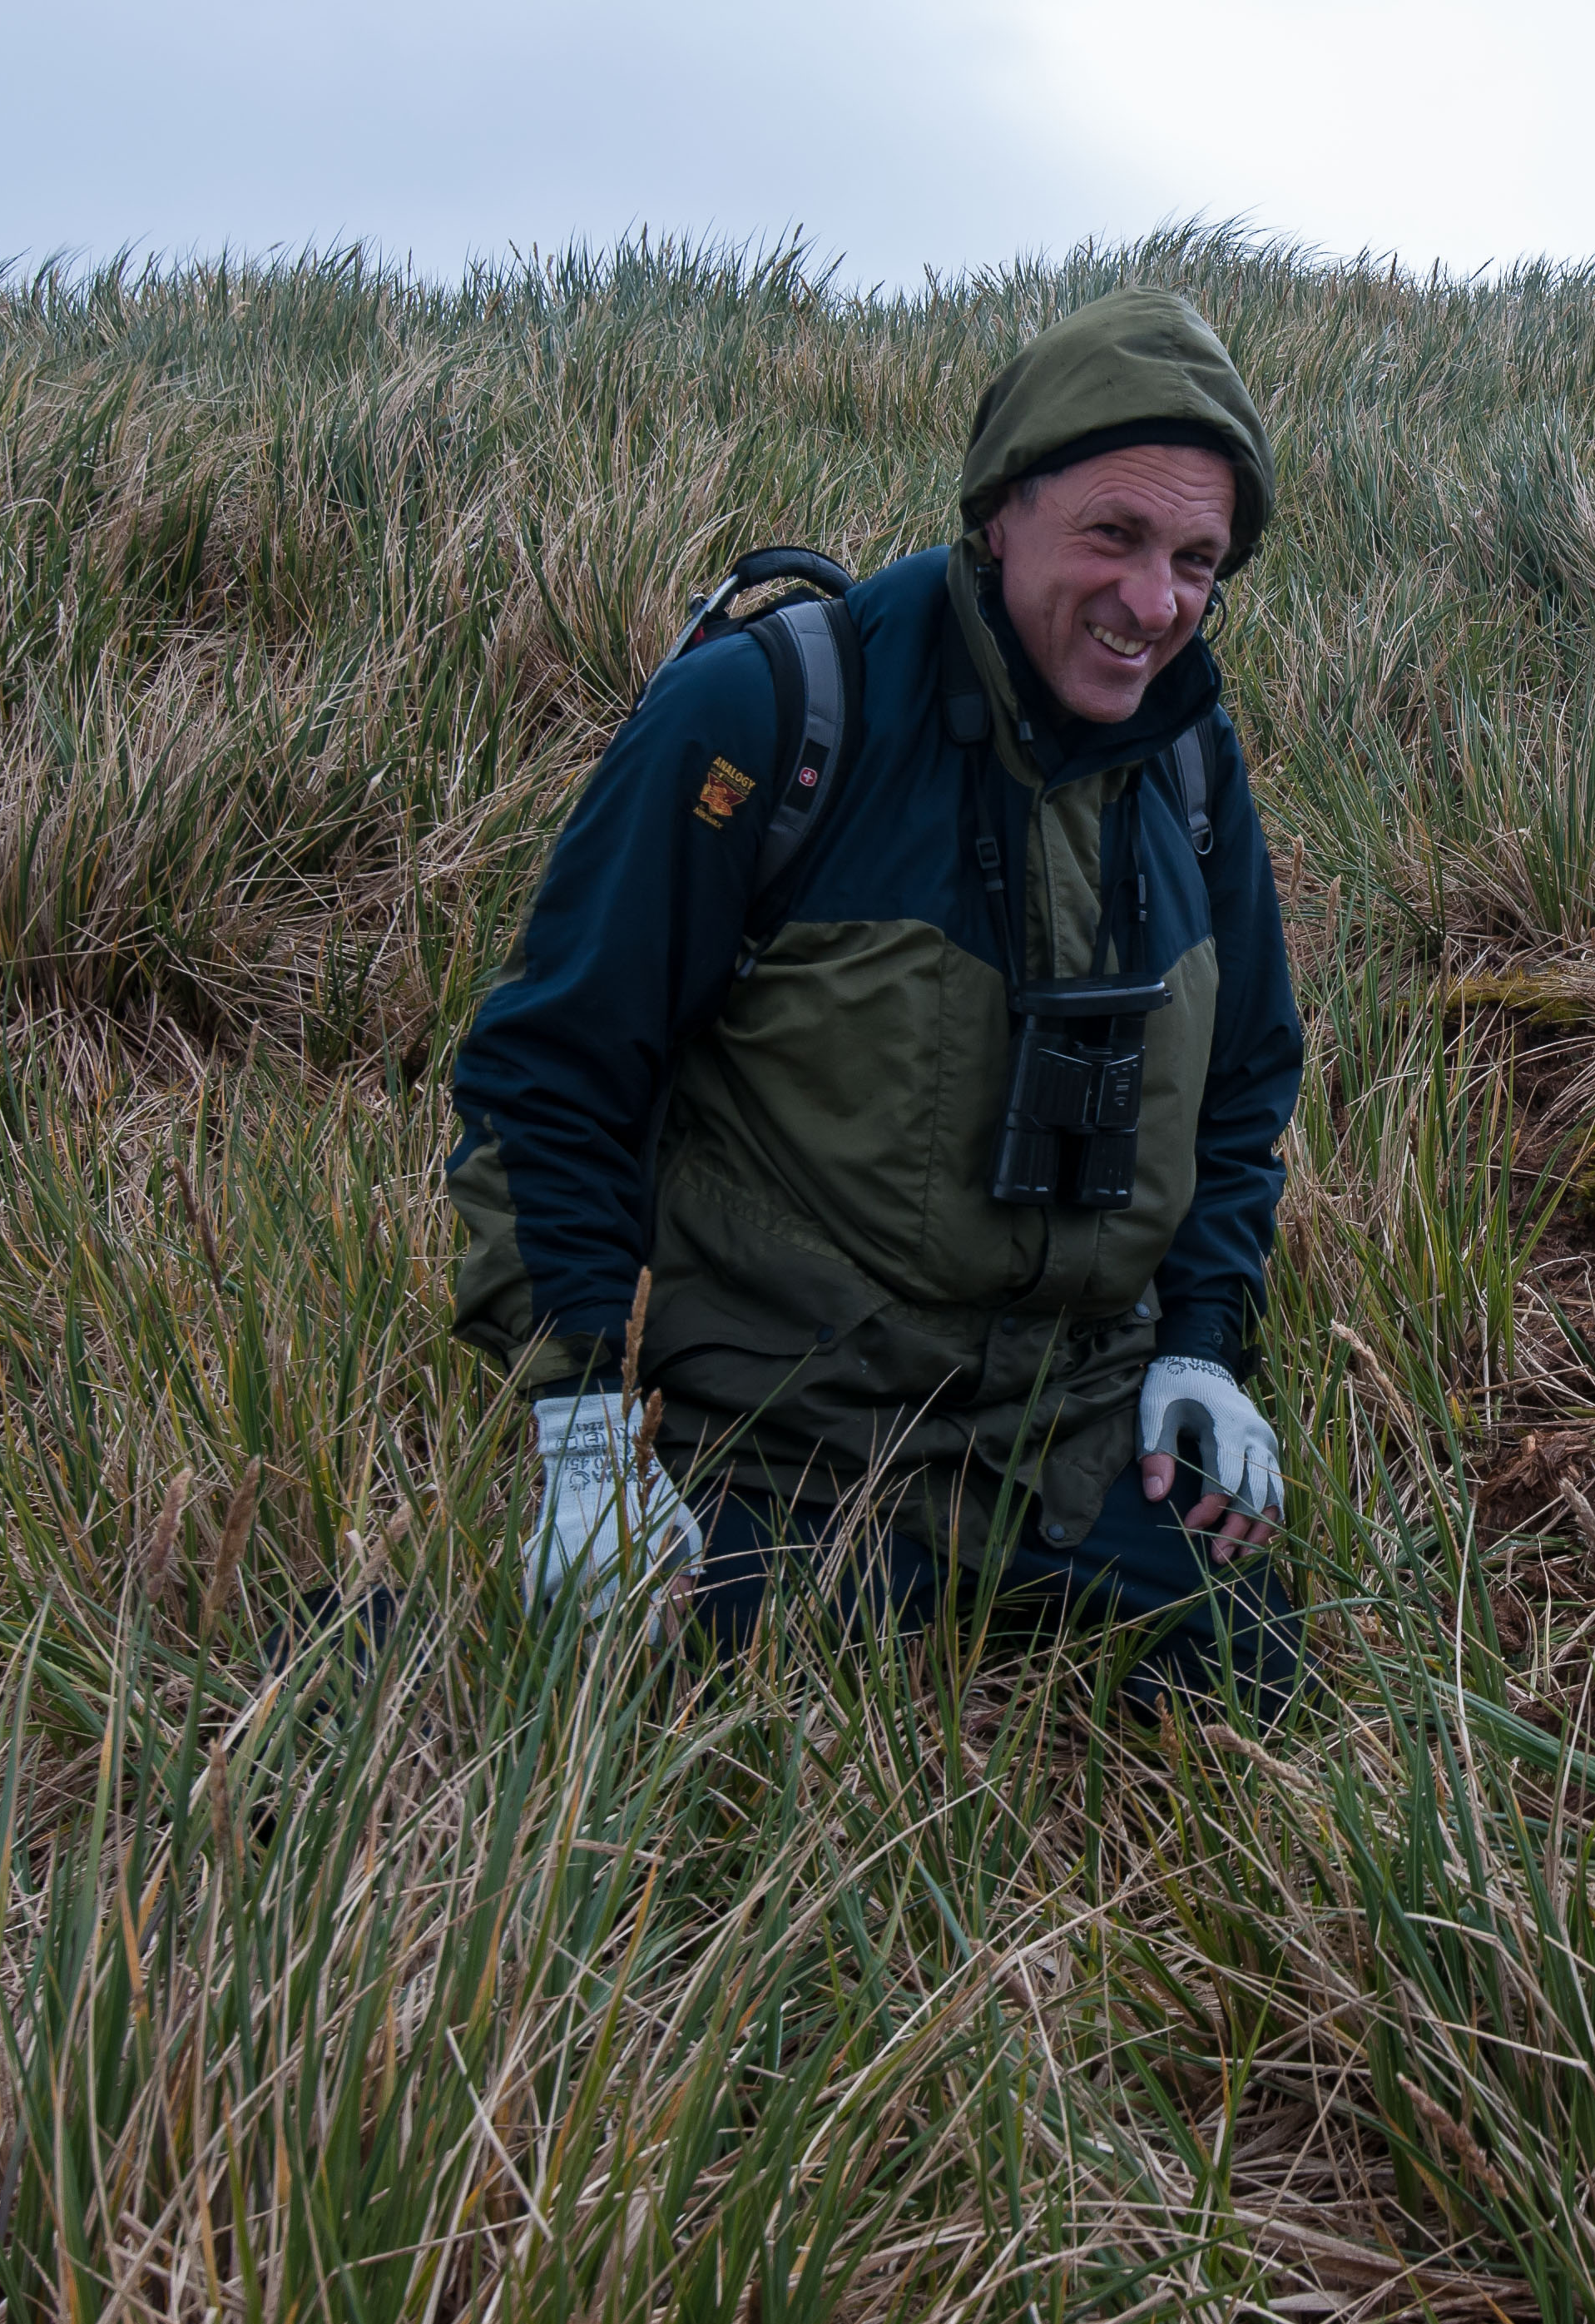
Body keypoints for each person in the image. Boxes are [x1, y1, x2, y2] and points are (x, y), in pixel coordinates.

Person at [440, 287, 1306, 1713]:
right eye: (1114, 535)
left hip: (1068, 1440)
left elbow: (1244, 1088)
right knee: (609, 1712)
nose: (1155, 603)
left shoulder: (1195, 773)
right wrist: (587, 1437)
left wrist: (1203, 1347)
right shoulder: (771, 716)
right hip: (790, 1430)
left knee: (1251, 1679)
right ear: (998, 512)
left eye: (1198, 559)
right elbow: (554, 1074)